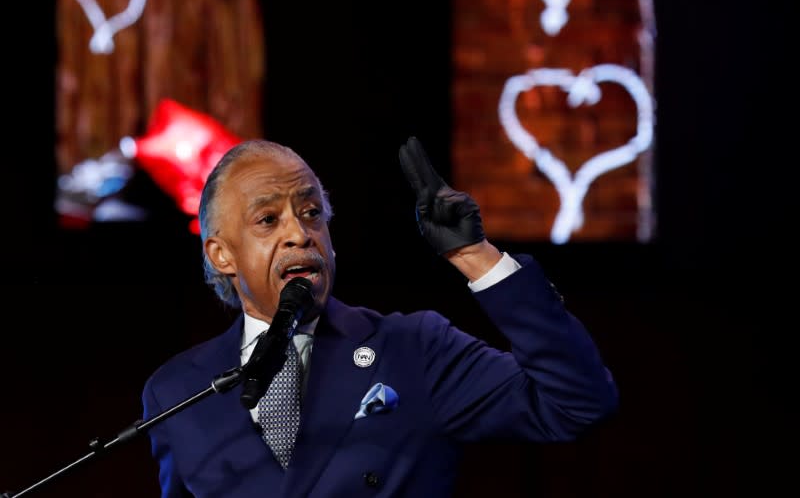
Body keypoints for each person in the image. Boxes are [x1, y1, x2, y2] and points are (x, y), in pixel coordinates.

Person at [141, 136, 618, 497]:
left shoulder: (415, 347)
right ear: (222, 254)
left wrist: (476, 255)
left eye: (311, 213)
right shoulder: (178, 391)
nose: (300, 234)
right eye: (268, 220)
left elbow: (578, 402)